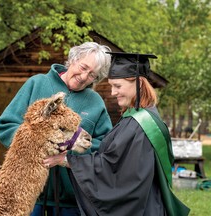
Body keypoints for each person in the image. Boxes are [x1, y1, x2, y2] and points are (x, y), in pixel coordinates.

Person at [45, 52, 190, 215]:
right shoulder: (138, 117)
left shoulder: (139, 125)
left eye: (117, 86)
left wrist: (67, 160)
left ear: (138, 84)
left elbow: (119, 172)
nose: (113, 92)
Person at [0, 42, 113, 216]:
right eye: (83, 67)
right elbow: (5, 126)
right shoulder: (37, 84)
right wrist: (38, 145)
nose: (83, 76)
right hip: (27, 194)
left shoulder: (95, 102)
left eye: (92, 75)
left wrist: (67, 157)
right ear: (73, 59)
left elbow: (104, 146)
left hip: (72, 200)